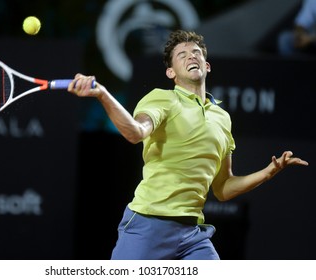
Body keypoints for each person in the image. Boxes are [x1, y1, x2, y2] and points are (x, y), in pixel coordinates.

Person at [68, 30, 309, 260]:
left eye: (196, 53)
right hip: (148, 225)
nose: (191, 56)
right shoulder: (162, 99)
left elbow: (223, 187)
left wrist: (269, 172)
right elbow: (135, 132)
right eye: (182, 55)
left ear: (207, 66)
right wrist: (102, 94)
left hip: (193, 234)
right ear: (171, 73)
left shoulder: (222, 118)